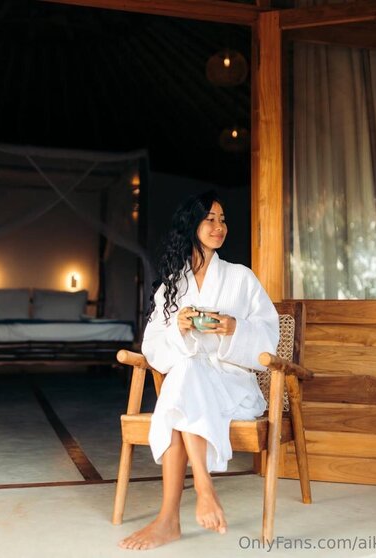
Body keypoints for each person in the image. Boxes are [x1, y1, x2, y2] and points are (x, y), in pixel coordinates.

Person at [119, 191, 279, 550]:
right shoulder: (172, 285)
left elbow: (269, 338)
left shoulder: (241, 277)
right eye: (210, 219)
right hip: (189, 385)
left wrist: (234, 328)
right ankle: (203, 490)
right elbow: (152, 347)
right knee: (186, 373)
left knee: (179, 392)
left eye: (222, 219)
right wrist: (178, 328)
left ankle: (170, 518)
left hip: (233, 387)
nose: (219, 226)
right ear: (191, 224)